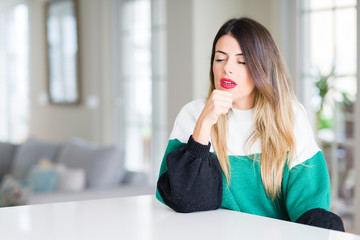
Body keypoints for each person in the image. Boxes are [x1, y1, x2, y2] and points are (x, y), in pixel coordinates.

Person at [156, 17, 344, 231]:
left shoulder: (290, 115)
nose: (227, 68)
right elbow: (186, 200)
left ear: (261, 67)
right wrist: (205, 123)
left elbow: (310, 204)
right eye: (220, 59)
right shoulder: (193, 114)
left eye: (241, 61)